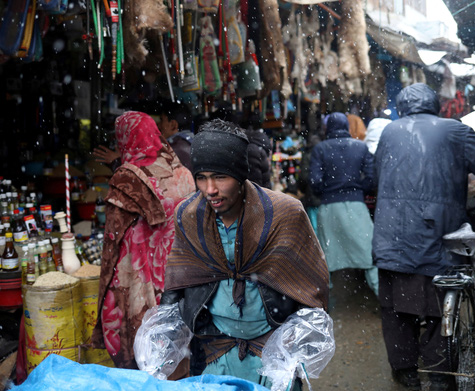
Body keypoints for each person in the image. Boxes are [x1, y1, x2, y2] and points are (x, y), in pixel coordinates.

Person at [373, 83, 475, 391]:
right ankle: (440, 375)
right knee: (437, 306)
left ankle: (405, 372)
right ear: (434, 105)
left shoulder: (389, 132)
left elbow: (381, 175)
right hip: (434, 235)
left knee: (396, 309)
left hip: (390, 237)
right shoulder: (453, 130)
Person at [161, 118, 330, 387]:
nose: (210, 189)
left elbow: (311, 286)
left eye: (220, 177)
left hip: (273, 358)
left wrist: (298, 347)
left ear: (241, 176)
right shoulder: (189, 215)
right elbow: (180, 278)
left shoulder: (284, 214)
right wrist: (162, 331)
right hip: (215, 354)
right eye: (201, 178)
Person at [91, 111, 195, 370]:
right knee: (178, 353)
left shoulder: (127, 179)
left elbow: (112, 246)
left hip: (142, 278)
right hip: (180, 276)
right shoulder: (184, 174)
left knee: (143, 355)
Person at [309, 112, 378, 297]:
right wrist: (356, 189)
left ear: (327, 128)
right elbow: (371, 179)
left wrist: (329, 190)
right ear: (346, 127)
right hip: (357, 208)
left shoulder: (320, 149)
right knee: (368, 255)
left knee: (327, 259)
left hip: (329, 208)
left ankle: (323, 306)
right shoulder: (361, 148)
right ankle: (384, 301)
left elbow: (314, 182)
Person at [159, 102, 194, 170]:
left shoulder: (173, 150)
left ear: (173, 125)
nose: (158, 125)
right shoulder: (194, 143)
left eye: (161, 120)